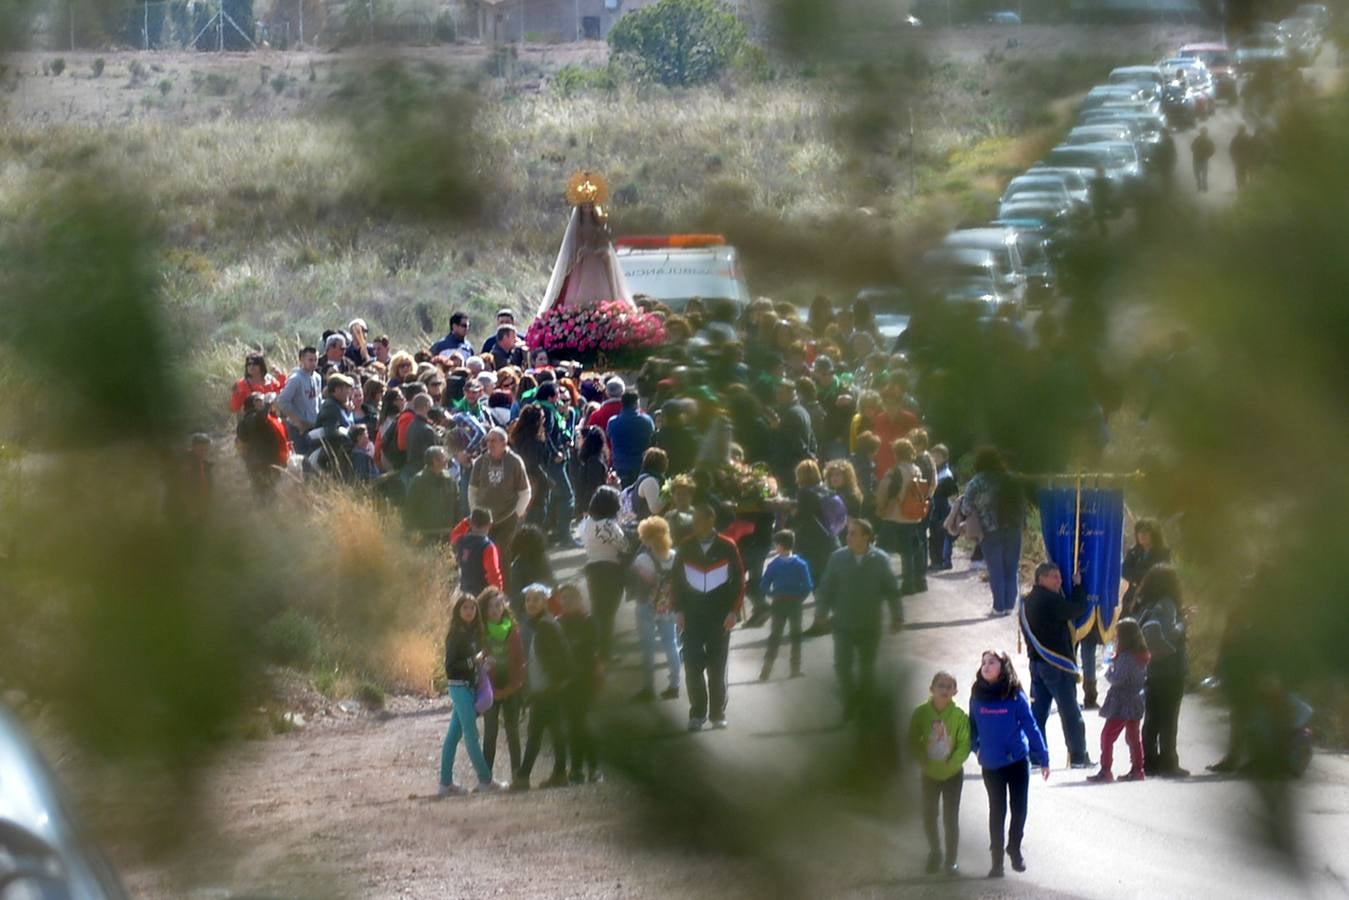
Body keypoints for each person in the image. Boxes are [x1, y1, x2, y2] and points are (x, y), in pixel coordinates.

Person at [969, 650, 1050, 878]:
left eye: (992, 662)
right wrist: (976, 748)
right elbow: (972, 727)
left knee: (1019, 808)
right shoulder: (976, 695)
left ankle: (1014, 848)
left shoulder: (1015, 695)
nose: (986, 665)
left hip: (1016, 762)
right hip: (991, 764)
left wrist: (1043, 757)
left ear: (1003, 667)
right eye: (983, 662)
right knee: (997, 811)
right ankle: (996, 862)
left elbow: (1031, 726)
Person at [814, 518, 902, 722]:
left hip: (870, 623)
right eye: (848, 533)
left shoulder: (880, 559)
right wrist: (821, 613)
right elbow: (826, 588)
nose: (849, 537)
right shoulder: (837, 558)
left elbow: (891, 590)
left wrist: (897, 617)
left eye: (854, 533)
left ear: (866, 537)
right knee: (842, 666)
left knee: (866, 669)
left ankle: (865, 705)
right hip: (843, 622)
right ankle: (850, 702)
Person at [672, 504, 746, 732]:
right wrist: (678, 610)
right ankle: (697, 712)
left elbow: (739, 582)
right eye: (693, 521)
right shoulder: (685, 547)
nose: (695, 525)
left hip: (719, 617)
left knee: (716, 667)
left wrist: (733, 612)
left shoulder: (727, 546)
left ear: (710, 521)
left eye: (699, 521)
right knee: (692, 667)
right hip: (692, 618)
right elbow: (675, 582)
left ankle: (717, 713)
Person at [1020, 562, 1093, 768]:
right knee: (1070, 713)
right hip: (1056, 666)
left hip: (1037, 665)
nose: (1060, 580)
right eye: (1054, 576)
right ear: (1041, 579)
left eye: (1059, 576)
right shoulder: (1048, 599)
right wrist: (1078, 587)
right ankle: (1079, 756)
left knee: (1038, 714)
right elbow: (1076, 609)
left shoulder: (1027, 601)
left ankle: (1036, 758)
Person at [438, 593, 507, 796]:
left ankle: (445, 784)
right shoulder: (456, 634)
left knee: (453, 737)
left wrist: (482, 664)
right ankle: (485, 780)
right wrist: (474, 661)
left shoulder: (473, 633)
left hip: (468, 687)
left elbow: (472, 663)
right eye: (465, 608)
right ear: (458, 611)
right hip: (459, 688)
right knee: (471, 735)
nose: (469, 611)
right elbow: (450, 667)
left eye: (472, 608)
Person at [908, 671, 971, 877]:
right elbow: (912, 739)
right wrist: (921, 759)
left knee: (950, 818)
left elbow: (964, 743)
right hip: (929, 774)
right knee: (929, 816)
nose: (944, 690)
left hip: (952, 774)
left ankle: (951, 861)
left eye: (949, 686)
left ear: (955, 691)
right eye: (940, 686)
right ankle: (935, 852)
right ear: (932, 689)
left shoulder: (959, 716)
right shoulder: (921, 713)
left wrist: (953, 761)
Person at [512, 584, 572, 791]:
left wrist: (556, 683)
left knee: (535, 734)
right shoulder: (542, 624)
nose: (530, 604)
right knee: (555, 732)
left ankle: (523, 777)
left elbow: (560, 656)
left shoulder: (546, 626)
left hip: (548, 690)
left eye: (535, 600)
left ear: (545, 601)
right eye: (528, 600)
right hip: (547, 688)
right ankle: (559, 773)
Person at [1136, 565, 1189, 778]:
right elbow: (1170, 634)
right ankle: (1168, 761)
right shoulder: (1167, 605)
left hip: (1151, 668)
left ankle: (1149, 760)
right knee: (1169, 718)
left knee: (1152, 718)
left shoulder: (1145, 605)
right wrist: (1184, 624)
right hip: (1170, 669)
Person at [959, 448, 1023, 616]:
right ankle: (1010, 606)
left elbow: (966, 507)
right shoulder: (1009, 478)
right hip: (1013, 527)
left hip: (989, 529)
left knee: (996, 569)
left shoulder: (977, 481)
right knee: (1011, 567)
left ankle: (998, 607)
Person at [1087, 618, 1150, 783]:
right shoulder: (1140, 654)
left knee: (1107, 736)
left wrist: (1107, 670)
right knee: (1133, 737)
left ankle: (1106, 770)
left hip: (1122, 702)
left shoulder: (1127, 657)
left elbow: (1118, 679)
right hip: (1136, 699)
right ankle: (1138, 770)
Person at [628, 515, 682, 702]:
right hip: (668, 606)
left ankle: (648, 688)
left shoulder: (643, 558)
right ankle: (675, 685)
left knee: (648, 648)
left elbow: (635, 573)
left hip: (646, 605)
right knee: (671, 644)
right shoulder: (675, 556)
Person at [469, 427, 532, 575]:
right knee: (483, 557)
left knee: (502, 557)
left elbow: (525, 491)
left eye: (494, 440)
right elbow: (472, 490)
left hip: (507, 518)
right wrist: (474, 511)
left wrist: (517, 513)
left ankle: (505, 593)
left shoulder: (515, 462)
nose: (490, 444)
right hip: (484, 520)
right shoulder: (480, 462)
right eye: (488, 440)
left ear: (504, 443)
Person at [480, 586, 526, 780]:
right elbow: (480, 664)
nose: (495, 610)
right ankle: (486, 776)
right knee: (490, 732)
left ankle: (518, 774)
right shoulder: (481, 633)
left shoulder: (512, 630)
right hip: (490, 688)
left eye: (498, 605)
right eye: (490, 607)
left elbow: (519, 662)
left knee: (512, 729)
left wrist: (513, 687)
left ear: (504, 607)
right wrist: (492, 691)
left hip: (511, 687)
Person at [558, 584, 601, 784]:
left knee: (581, 725)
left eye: (570, 597)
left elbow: (594, 652)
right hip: (565, 683)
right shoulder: (559, 623)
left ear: (579, 599)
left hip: (585, 681)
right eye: (563, 597)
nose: (566, 601)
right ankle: (577, 769)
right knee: (573, 726)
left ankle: (590, 767)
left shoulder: (588, 621)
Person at [580, 486, 628, 662]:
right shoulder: (608, 525)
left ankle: (595, 652)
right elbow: (625, 545)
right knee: (608, 615)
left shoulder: (587, 523)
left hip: (592, 568)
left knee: (597, 611)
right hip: (611, 570)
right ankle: (605, 654)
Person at [875, 438, 928, 596]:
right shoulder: (917, 469)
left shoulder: (895, 471)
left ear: (896, 454)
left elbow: (883, 490)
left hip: (895, 515)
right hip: (913, 515)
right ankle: (917, 581)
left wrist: (880, 506)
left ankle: (881, 582)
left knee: (881, 548)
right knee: (912, 549)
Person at [758, 529, 813, 681]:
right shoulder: (801, 564)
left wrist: (772, 594)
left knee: (775, 636)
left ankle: (766, 671)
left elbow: (764, 585)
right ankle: (795, 669)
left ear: (780, 546)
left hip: (778, 603)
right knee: (796, 636)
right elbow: (808, 585)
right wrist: (800, 597)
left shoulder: (774, 565)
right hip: (795, 603)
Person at [790, 459, 841, 590]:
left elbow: (802, 517)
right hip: (830, 540)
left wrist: (793, 513)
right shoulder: (828, 491)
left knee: (816, 582)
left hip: (810, 544)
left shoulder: (803, 494)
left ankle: (822, 608)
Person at [403, 446, 458, 542]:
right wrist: (411, 531)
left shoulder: (450, 479)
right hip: (426, 534)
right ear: (434, 461)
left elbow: (457, 502)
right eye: (443, 457)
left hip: (447, 532)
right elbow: (410, 507)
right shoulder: (419, 481)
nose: (446, 460)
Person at [1121, 518, 1170, 615]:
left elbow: (1160, 573)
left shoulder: (1163, 553)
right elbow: (1124, 570)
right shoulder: (1133, 552)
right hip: (1132, 596)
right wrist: (1137, 578)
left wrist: (1141, 576)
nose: (1142, 535)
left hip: (1153, 597)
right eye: (1140, 532)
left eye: (1146, 532)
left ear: (1154, 534)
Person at [276, 346, 320, 451]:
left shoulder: (317, 377)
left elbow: (317, 400)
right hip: (298, 428)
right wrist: (297, 421)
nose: (313, 363)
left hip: (313, 424)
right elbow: (282, 401)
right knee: (301, 458)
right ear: (302, 360)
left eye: (315, 360)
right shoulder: (296, 379)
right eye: (310, 360)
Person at [607, 389, 655, 486]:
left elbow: (609, 436)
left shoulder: (613, 422)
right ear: (636, 403)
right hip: (641, 466)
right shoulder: (646, 421)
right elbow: (652, 436)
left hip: (620, 466)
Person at [454, 508, 504, 597]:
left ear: (471, 523)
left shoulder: (462, 541)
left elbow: (454, 534)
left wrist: (466, 522)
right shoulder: (488, 546)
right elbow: (493, 574)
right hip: (482, 595)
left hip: (465, 593)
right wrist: (498, 593)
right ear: (490, 524)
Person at [927, 444, 957, 571]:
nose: (935, 458)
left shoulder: (946, 474)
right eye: (933, 455)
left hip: (942, 507)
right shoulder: (935, 470)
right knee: (933, 535)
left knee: (941, 535)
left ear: (945, 458)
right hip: (935, 506)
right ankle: (935, 561)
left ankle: (942, 561)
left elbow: (947, 493)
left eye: (938, 456)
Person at [229, 352, 287, 416]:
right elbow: (234, 408)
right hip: (253, 422)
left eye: (255, 364)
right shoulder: (242, 384)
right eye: (249, 364)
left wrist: (281, 377)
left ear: (261, 365)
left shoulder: (270, 380)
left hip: (272, 419)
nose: (251, 366)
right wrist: (235, 394)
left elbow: (284, 394)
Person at [1190, 127, 1215, 193]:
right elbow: (1192, 147)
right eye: (1202, 132)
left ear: (1206, 133)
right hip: (1197, 159)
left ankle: (1204, 188)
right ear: (1201, 132)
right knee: (1197, 174)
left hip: (1203, 159)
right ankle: (1200, 187)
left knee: (1203, 175)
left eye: (1204, 132)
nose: (1203, 133)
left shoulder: (1208, 140)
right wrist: (1195, 151)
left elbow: (1212, 149)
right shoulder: (1197, 139)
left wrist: (1208, 155)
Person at [1088, 165, 1111, 235]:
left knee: (1099, 216)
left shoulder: (1098, 181)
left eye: (1099, 172)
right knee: (1099, 216)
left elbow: (1108, 191)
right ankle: (1103, 231)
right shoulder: (1096, 181)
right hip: (1098, 200)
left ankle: (1103, 231)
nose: (1098, 173)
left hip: (1100, 199)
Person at [1230, 124, 1253, 189]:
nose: (1240, 131)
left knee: (1240, 173)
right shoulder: (1248, 137)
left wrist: (1233, 157)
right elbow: (1232, 149)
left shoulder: (1235, 138)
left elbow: (1232, 149)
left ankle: (1241, 185)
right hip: (1244, 159)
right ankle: (1242, 185)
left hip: (1240, 159)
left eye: (1240, 130)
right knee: (1242, 172)